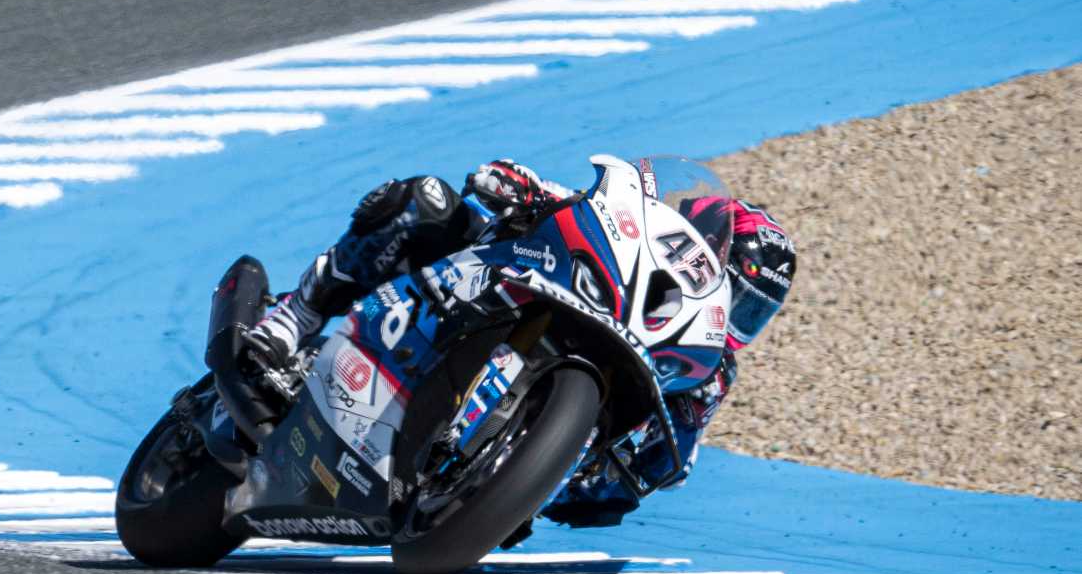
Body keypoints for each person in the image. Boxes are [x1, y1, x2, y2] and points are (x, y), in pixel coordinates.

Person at [241, 160, 795, 523]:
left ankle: (486, 473)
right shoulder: (632, 231)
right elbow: (555, 197)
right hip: (490, 289)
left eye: (752, 313)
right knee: (424, 201)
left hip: (522, 470)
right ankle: (295, 317)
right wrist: (519, 185)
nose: (734, 318)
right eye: (735, 296)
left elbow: (673, 465)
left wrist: (605, 470)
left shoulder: (707, 372)